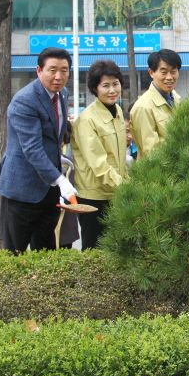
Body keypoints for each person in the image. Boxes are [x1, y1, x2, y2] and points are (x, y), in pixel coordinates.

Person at [0, 47, 77, 253]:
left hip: (48, 189)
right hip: (20, 188)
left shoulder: (62, 94)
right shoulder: (25, 100)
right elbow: (32, 149)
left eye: (64, 70)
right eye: (52, 70)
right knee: (16, 252)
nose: (59, 76)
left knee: (47, 249)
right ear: (39, 70)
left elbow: (52, 138)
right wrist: (60, 180)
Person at [71, 60, 128, 250]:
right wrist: (126, 187)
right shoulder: (87, 120)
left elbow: (119, 157)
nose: (112, 90)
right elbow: (99, 164)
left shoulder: (117, 111)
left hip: (115, 192)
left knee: (116, 248)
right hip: (94, 197)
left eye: (115, 83)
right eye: (106, 85)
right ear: (95, 89)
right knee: (94, 250)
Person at [129, 49, 181, 159]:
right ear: (151, 73)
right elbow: (151, 153)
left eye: (173, 71)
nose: (169, 77)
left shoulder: (176, 98)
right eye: (164, 72)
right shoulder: (143, 107)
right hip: (158, 173)